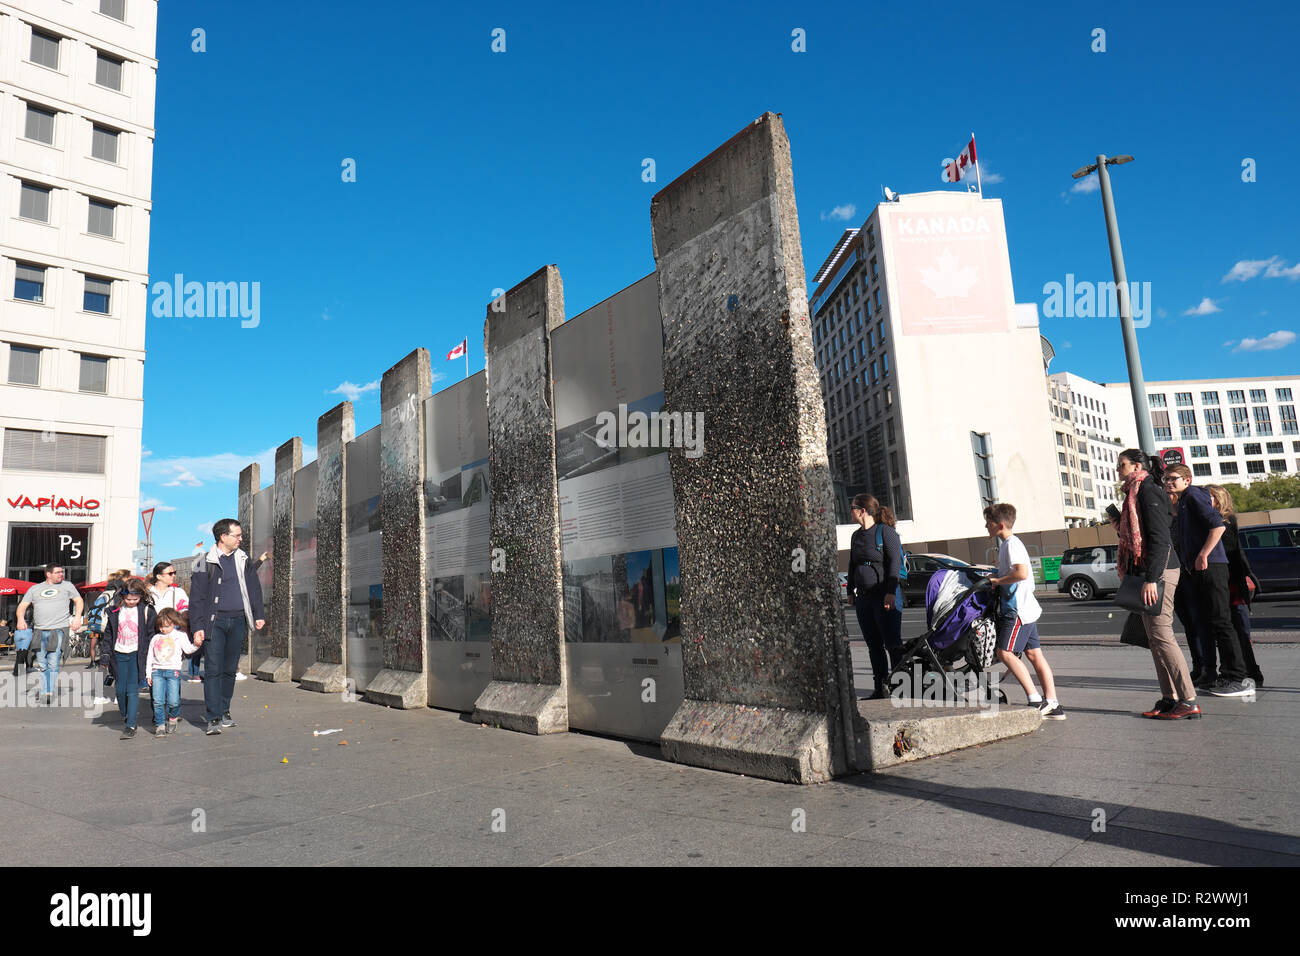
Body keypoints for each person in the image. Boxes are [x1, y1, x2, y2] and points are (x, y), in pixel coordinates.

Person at [1113, 449, 1197, 719]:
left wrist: (1151, 578)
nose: (1118, 469)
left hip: (1159, 572)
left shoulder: (1148, 490)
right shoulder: (1134, 492)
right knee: (1154, 639)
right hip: (1148, 571)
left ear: (1137, 465)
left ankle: (1189, 699)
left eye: (1122, 464)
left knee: (1162, 636)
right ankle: (1169, 698)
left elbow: (1160, 538)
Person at [1163, 464, 1252, 697]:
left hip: (1211, 566)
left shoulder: (1193, 494)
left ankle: (1237, 677)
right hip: (1198, 568)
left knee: (1221, 621)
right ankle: (1222, 674)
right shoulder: (1183, 502)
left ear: (1187, 480)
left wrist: (1203, 554)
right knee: (1210, 622)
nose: (1169, 483)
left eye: (1173, 479)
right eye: (1166, 479)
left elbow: (1218, 525)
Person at [983, 503, 1065, 719]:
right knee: (1034, 654)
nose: (985, 526)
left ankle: (1035, 699)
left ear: (1000, 525)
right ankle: (1053, 703)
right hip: (1026, 607)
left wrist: (997, 580)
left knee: (1005, 653)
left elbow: (1021, 573)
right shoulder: (1009, 544)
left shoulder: (1010, 544)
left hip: (1017, 609)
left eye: (988, 523)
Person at [189, 518, 265, 736]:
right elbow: (197, 599)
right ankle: (213, 717)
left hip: (238, 620)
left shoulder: (244, 559)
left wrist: (258, 614)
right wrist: (197, 627)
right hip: (215, 623)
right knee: (213, 670)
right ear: (223, 537)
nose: (241, 539)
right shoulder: (203, 561)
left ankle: (224, 710)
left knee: (230, 669)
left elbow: (254, 588)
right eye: (237, 535)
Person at [1205, 484, 1264, 688]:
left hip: (1230, 580)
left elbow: (1232, 550)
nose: (1206, 500)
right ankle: (1247, 671)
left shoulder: (1224, 521)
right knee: (1232, 629)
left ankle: (1250, 672)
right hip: (1228, 579)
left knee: (1236, 630)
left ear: (1219, 499)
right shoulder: (1220, 520)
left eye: (1210, 496)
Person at [846, 494, 903, 699]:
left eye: (852, 506)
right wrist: (850, 590)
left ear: (863, 510)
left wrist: (890, 592)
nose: (849, 510)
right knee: (873, 645)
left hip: (884, 595)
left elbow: (895, 561)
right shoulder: (855, 536)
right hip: (864, 598)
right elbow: (853, 564)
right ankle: (880, 687)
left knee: (892, 644)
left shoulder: (885, 532)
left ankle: (899, 687)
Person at [13, 564, 84, 706]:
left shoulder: (67, 586)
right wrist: (20, 619)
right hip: (39, 630)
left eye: (62, 572)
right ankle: (47, 687)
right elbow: (22, 606)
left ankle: (47, 691)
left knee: (53, 660)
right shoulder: (35, 589)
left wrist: (77, 618)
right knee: (42, 662)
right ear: (48, 574)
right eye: (57, 572)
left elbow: (78, 600)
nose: (61, 575)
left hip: (58, 629)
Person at [103, 581, 156, 739]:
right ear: (122, 596)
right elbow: (108, 635)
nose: (132, 602)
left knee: (132, 690)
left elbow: (152, 634)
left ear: (141, 596)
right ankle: (126, 715)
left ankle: (130, 724)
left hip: (137, 654)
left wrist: (152, 655)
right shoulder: (115, 611)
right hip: (118, 653)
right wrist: (105, 654)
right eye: (128, 598)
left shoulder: (147, 610)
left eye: (135, 598)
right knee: (120, 690)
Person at [145, 608, 201, 737]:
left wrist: (197, 645)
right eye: (161, 626)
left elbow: (188, 649)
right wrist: (148, 674)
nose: (163, 629)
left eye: (167, 626)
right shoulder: (155, 638)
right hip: (157, 671)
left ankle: (173, 717)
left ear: (174, 623)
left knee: (173, 701)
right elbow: (150, 657)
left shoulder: (179, 635)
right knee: (158, 701)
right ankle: (159, 725)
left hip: (173, 671)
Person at [148, 562, 197, 682]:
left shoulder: (178, 592)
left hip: (173, 638)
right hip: (152, 636)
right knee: (154, 669)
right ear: (159, 576)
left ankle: (173, 699)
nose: (173, 575)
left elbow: (186, 612)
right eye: (170, 573)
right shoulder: (148, 593)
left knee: (173, 670)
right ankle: (156, 698)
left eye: (174, 573)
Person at [87, 570, 128, 670]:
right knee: (110, 642)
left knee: (94, 642)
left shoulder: (103, 593)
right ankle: (109, 662)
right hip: (108, 622)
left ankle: (93, 661)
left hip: (97, 622)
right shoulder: (117, 593)